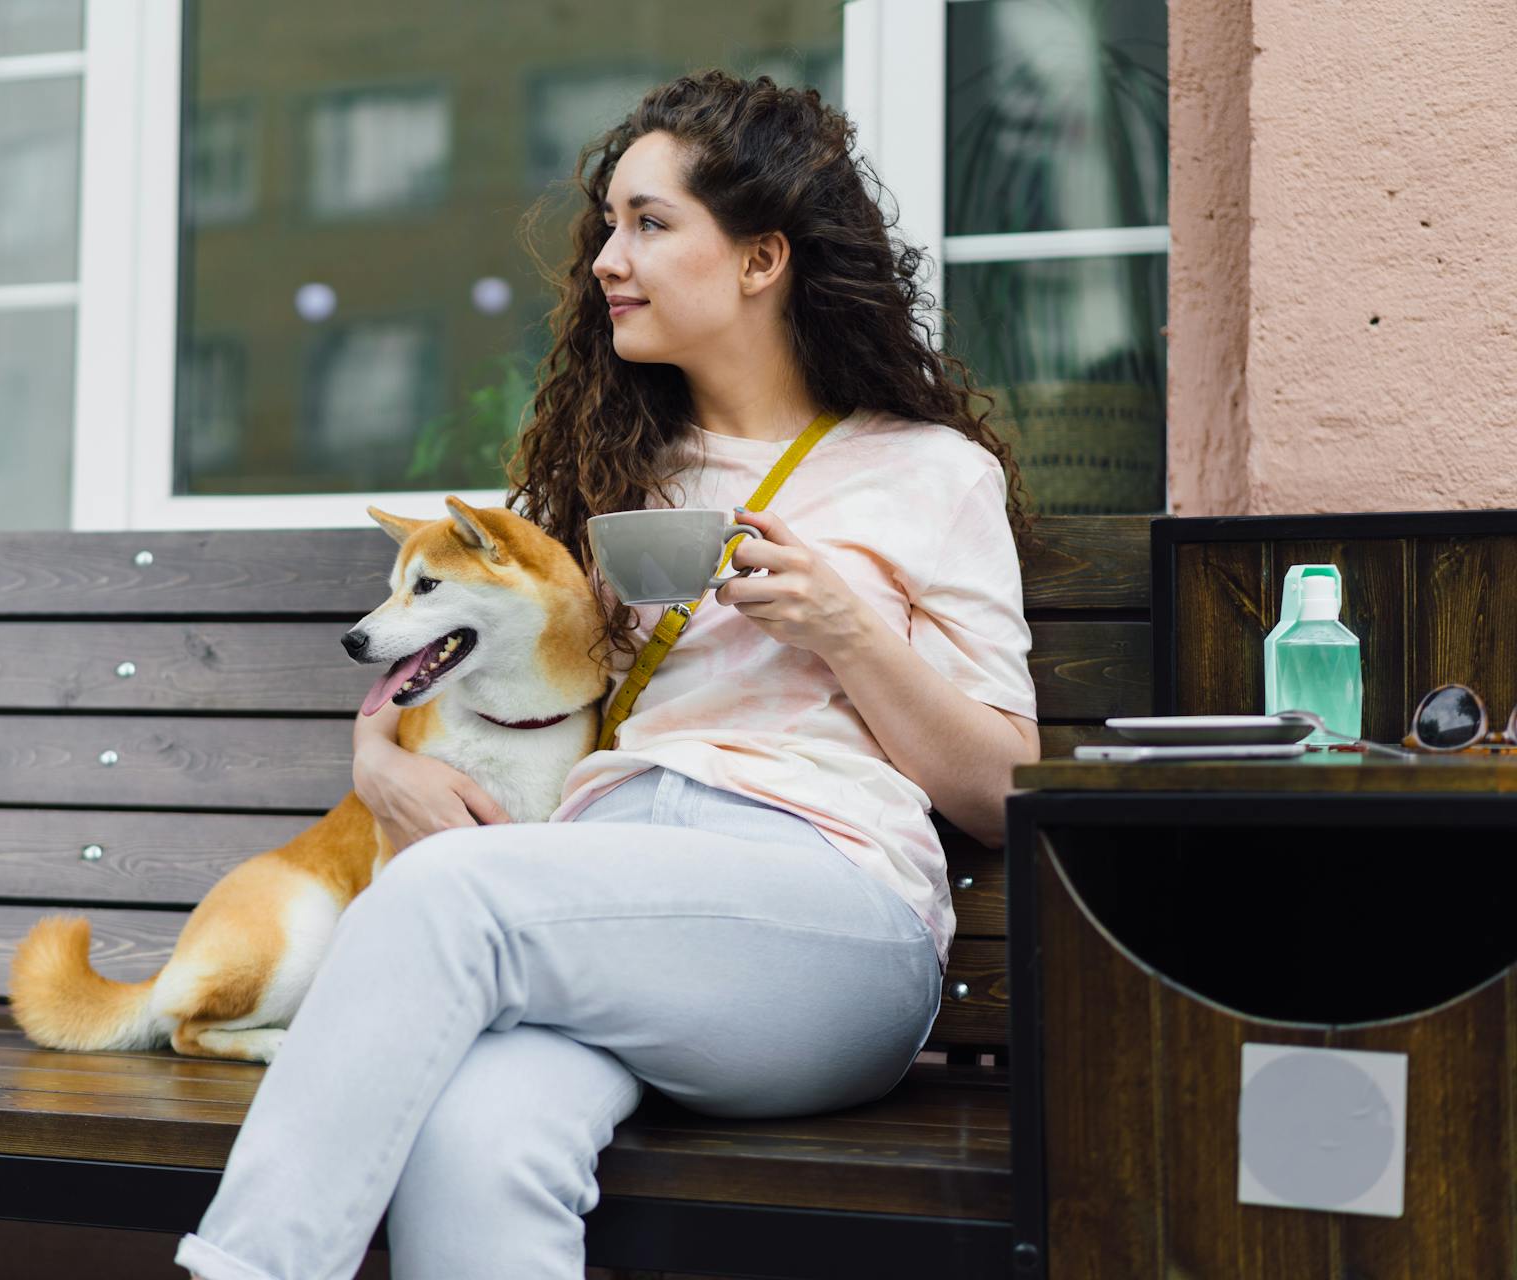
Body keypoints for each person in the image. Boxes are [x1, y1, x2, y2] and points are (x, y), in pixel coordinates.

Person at [177, 69, 1041, 1280]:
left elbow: (1006, 788)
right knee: (474, 1144)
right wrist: (379, 764)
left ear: (760, 259)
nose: (606, 260)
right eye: (608, 228)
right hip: (594, 894)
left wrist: (850, 631)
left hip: (827, 914)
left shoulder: (928, 473)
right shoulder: (609, 469)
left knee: (451, 896)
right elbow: (434, 677)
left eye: (650, 223)